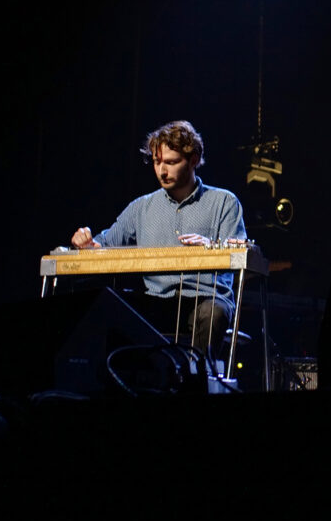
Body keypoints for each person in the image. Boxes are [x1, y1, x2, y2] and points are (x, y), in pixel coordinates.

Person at [71, 120, 247, 357]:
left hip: (204, 299)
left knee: (212, 313)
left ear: (193, 160)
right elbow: (103, 243)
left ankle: (195, 380)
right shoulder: (140, 208)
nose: (162, 171)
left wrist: (210, 247)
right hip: (156, 299)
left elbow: (238, 255)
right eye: (157, 162)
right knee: (111, 306)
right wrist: (86, 243)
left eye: (172, 162)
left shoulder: (224, 202)